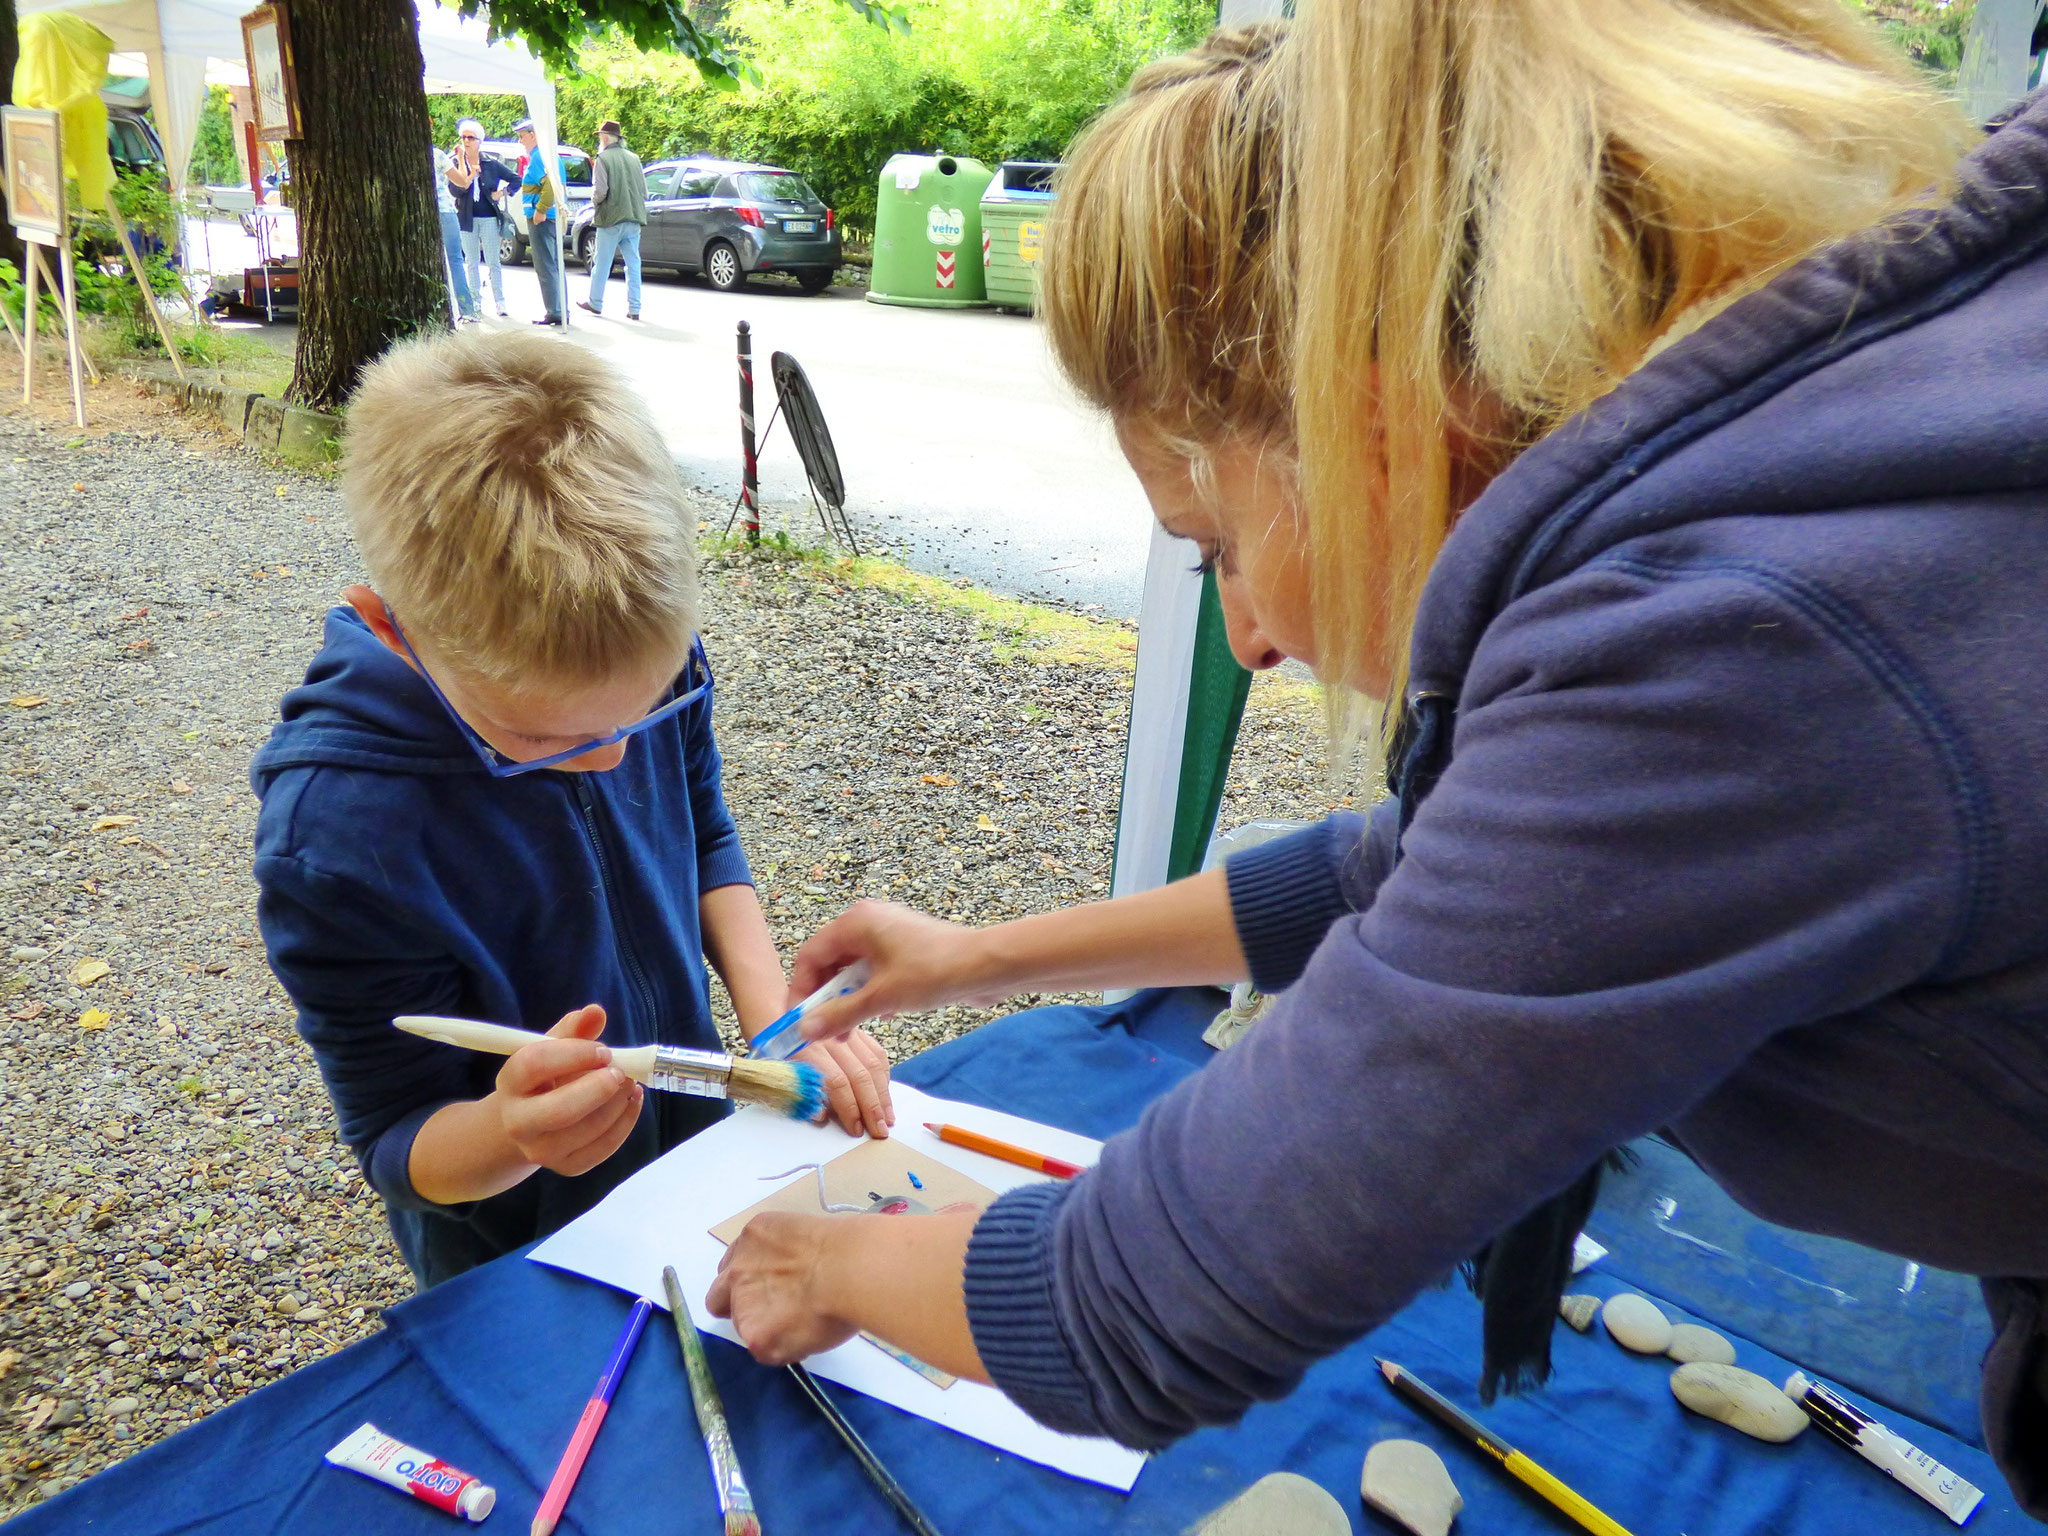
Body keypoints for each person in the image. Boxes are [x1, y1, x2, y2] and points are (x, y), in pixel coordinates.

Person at [705, 6, 2048, 1516]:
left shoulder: (1734, 642)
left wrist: (836, 1257)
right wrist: (978, 957)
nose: (1250, 636)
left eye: (1212, 548)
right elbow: (1405, 868)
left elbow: (1140, 1304)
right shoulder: (1836, 435)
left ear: (1365, 423)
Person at [250, 331, 894, 1289]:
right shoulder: (337, 840)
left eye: (644, 711)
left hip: (690, 1165)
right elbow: (395, 1137)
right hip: (520, 1247)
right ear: (396, 631)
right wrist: (513, 1132)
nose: (614, 756)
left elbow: (705, 826)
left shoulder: (630, 640)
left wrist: (778, 1018)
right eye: (547, 743)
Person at [446, 118, 516, 319]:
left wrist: (502, 193)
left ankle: (500, 301)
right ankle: (475, 300)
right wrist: (466, 173)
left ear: (479, 141)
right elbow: (456, 191)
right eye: (463, 137)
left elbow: (515, 179)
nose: (466, 141)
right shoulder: (455, 164)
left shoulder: (490, 164)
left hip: (488, 218)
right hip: (467, 219)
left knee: (494, 260)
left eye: (470, 137)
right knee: (472, 261)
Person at [579, 119, 645, 321]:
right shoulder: (634, 158)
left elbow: (600, 192)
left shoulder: (603, 158)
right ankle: (635, 308)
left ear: (605, 138)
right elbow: (644, 190)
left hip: (611, 219)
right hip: (634, 218)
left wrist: (593, 202)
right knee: (633, 263)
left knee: (602, 262)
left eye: (600, 137)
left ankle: (595, 302)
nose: (600, 140)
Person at [515, 119, 566, 326]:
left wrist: (540, 210)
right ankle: (559, 309)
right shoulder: (547, 155)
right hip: (550, 217)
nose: (520, 141)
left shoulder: (539, 156)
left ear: (533, 135)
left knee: (545, 265)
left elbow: (550, 186)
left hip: (543, 219)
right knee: (554, 264)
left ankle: (555, 311)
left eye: (522, 136)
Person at [431, 144, 478, 323]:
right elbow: (463, 182)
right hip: (444, 210)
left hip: (421, 211)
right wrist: (460, 158)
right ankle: (467, 310)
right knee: (455, 261)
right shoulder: (437, 154)